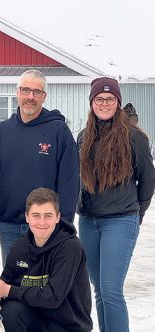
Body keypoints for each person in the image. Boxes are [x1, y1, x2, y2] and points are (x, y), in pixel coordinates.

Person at [77, 77, 155, 332]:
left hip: (120, 220)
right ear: (92, 103)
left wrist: (136, 213)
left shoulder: (134, 137)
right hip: (89, 221)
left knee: (111, 290)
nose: (104, 104)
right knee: (99, 290)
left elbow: (148, 179)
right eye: (99, 99)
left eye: (110, 99)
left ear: (118, 103)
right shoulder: (84, 136)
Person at [0, 69, 79, 265]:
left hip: (47, 226)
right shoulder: (0, 133)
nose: (30, 97)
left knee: (45, 286)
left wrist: (64, 225)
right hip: (10, 226)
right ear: (17, 93)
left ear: (44, 96)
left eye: (36, 92)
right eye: (25, 90)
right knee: (14, 285)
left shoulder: (59, 132)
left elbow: (69, 182)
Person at [0, 187, 93, 332]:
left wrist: (8, 290)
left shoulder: (70, 247)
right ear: (27, 217)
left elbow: (53, 297)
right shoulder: (19, 247)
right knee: (11, 311)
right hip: (35, 320)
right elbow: (4, 286)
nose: (42, 222)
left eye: (48, 215)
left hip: (67, 325)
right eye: (36, 215)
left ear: (58, 217)